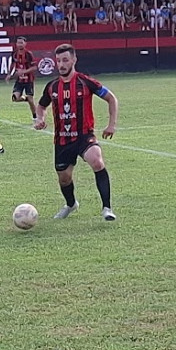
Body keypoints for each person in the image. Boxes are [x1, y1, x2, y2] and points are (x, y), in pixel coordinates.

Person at [34, 44, 118, 221]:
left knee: (96, 160)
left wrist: (112, 125)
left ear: (74, 60)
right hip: (62, 140)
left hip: (84, 136)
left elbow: (111, 98)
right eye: (58, 61)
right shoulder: (52, 86)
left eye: (65, 60)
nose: (61, 64)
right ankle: (71, 204)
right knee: (64, 179)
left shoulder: (86, 82)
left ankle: (107, 208)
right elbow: (41, 105)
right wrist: (40, 118)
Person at [5, 36, 37, 122]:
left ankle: (35, 117)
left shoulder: (28, 54)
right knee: (15, 98)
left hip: (28, 80)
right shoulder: (14, 53)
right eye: (18, 43)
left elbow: (34, 67)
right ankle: (26, 98)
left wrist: (24, 71)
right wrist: (9, 75)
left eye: (21, 43)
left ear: (25, 44)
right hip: (19, 80)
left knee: (31, 100)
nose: (19, 44)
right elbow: (13, 65)